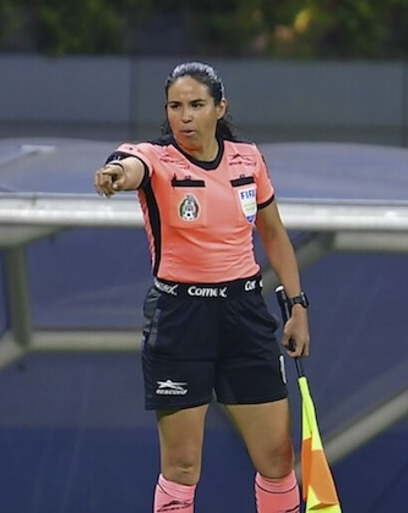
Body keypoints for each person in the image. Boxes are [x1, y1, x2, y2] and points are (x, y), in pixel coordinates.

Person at [94, 61, 310, 513]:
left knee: (277, 457)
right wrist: (115, 173)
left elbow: (273, 234)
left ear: (220, 107)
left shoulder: (248, 158)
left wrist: (297, 305)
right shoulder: (157, 158)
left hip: (245, 316)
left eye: (196, 105)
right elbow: (130, 164)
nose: (185, 116)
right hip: (181, 320)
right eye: (175, 106)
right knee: (182, 466)